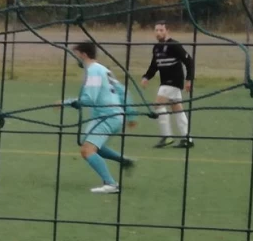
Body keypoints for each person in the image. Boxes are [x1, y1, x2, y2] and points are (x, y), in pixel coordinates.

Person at [64, 41, 135, 194]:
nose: (76, 59)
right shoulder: (104, 70)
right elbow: (123, 91)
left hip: (106, 116)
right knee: (95, 146)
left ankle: (110, 184)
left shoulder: (94, 71)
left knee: (87, 150)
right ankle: (124, 160)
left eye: (76, 55)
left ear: (83, 54)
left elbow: (90, 98)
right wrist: (129, 114)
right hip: (115, 116)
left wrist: (69, 103)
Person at [143, 20, 194, 149]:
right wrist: (147, 77)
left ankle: (167, 137)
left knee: (158, 104)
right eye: (156, 30)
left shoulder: (174, 45)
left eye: (161, 30)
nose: (158, 33)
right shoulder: (157, 47)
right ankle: (187, 138)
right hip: (165, 82)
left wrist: (189, 79)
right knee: (177, 109)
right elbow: (154, 65)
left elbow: (189, 61)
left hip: (173, 82)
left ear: (167, 31)